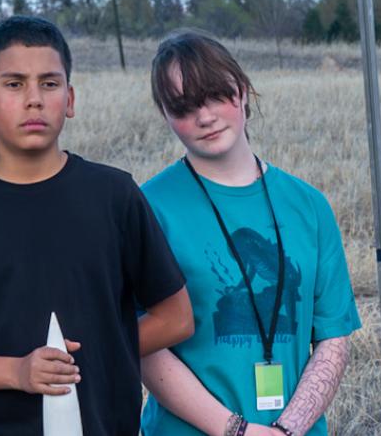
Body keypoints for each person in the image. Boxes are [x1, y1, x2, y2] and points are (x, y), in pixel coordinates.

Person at [0, 15, 194, 435]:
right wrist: (18, 371)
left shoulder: (114, 195)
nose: (34, 99)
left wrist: (92, 350)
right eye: (14, 84)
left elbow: (176, 318)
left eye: (50, 83)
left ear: (70, 99)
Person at [138, 32, 361, 436]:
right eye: (183, 107)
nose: (204, 117)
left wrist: (286, 430)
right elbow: (144, 347)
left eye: (214, 95)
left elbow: (333, 338)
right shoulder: (146, 209)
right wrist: (235, 431)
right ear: (165, 115)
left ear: (241, 91)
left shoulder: (309, 205)